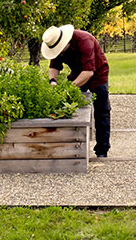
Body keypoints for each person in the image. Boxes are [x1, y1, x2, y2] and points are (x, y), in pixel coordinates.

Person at [40, 24, 110, 158]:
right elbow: (54, 67)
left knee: (102, 111)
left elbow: (89, 72)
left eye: (60, 50)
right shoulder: (56, 44)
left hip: (98, 75)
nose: (59, 53)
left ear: (66, 42)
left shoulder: (84, 40)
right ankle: (72, 146)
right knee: (69, 106)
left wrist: (70, 88)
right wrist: (52, 81)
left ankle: (102, 150)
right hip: (77, 73)